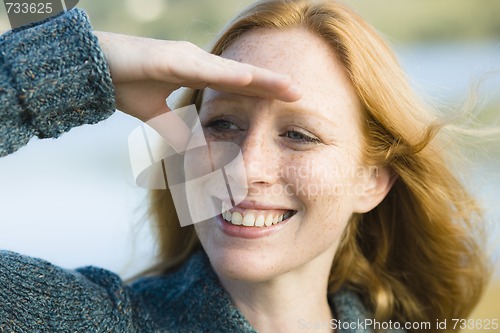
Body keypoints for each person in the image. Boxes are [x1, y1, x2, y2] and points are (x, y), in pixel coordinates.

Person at [0, 1, 490, 333]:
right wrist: (71, 66)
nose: (245, 167)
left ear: (372, 180)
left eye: (298, 135)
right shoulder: (86, 319)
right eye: (222, 125)